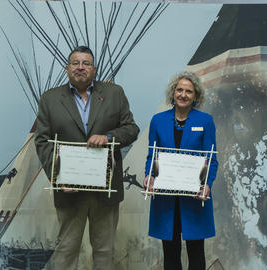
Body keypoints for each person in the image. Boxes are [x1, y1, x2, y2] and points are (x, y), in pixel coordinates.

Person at [35, 45, 139, 270]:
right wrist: (58, 177)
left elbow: (131, 129)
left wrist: (109, 137)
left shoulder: (115, 93)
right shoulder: (50, 99)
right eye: (76, 63)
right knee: (66, 251)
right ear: (67, 68)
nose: (81, 68)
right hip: (69, 191)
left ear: (94, 69)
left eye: (86, 63)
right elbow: (42, 142)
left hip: (106, 189)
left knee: (104, 252)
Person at [143, 71, 218, 270]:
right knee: (170, 254)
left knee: (196, 254)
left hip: (194, 197)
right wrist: (149, 176)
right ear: (173, 93)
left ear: (196, 96)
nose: (183, 94)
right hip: (166, 198)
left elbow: (212, 159)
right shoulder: (158, 120)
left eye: (188, 91)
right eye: (179, 90)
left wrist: (207, 185)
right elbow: (152, 156)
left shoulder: (205, 121)